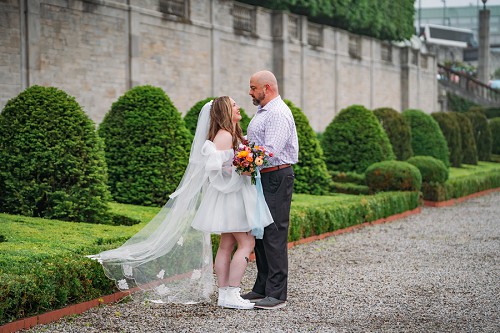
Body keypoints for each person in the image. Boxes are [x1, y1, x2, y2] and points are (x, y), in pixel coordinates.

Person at [88, 96, 273, 311]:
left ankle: (225, 295)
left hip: (233, 198)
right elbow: (215, 172)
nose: (238, 107)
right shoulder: (223, 136)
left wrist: (243, 164)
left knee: (227, 244)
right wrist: (243, 168)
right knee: (246, 243)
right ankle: (231, 292)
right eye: (233, 105)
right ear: (224, 111)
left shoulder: (232, 135)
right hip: (231, 198)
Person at [241, 70, 299, 310]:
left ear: (267, 87)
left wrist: (244, 160)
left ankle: (277, 295)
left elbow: (271, 150)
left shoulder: (277, 113)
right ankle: (261, 288)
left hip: (276, 176)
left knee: (274, 234)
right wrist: (241, 144)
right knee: (261, 233)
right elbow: (259, 144)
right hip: (263, 176)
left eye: (254, 88)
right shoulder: (264, 111)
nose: (250, 92)